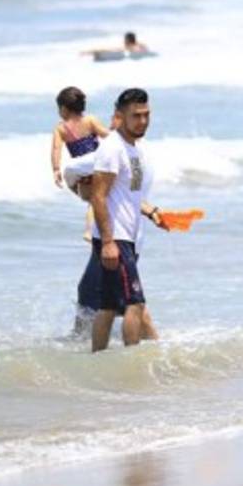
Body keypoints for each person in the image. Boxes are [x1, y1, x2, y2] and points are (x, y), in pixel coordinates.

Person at [83, 88, 169, 352]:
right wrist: (108, 242)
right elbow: (98, 196)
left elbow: (129, 196)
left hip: (126, 237)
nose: (142, 121)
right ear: (120, 116)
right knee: (135, 304)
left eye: (146, 115)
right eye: (136, 116)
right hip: (115, 238)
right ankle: (133, 362)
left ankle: (95, 359)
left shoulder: (134, 150)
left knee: (108, 307)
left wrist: (151, 212)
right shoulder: (112, 148)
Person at [51, 86, 113, 243]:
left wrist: (56, 169)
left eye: (59, 109)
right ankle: (90, 228)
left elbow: (56, 149)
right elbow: (106, 135)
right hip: (98, 167)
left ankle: (89, 230)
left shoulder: (61, 129)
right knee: (96, 199)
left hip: (81, 172)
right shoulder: (90, 120)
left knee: (92, 199)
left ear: (64, 109)